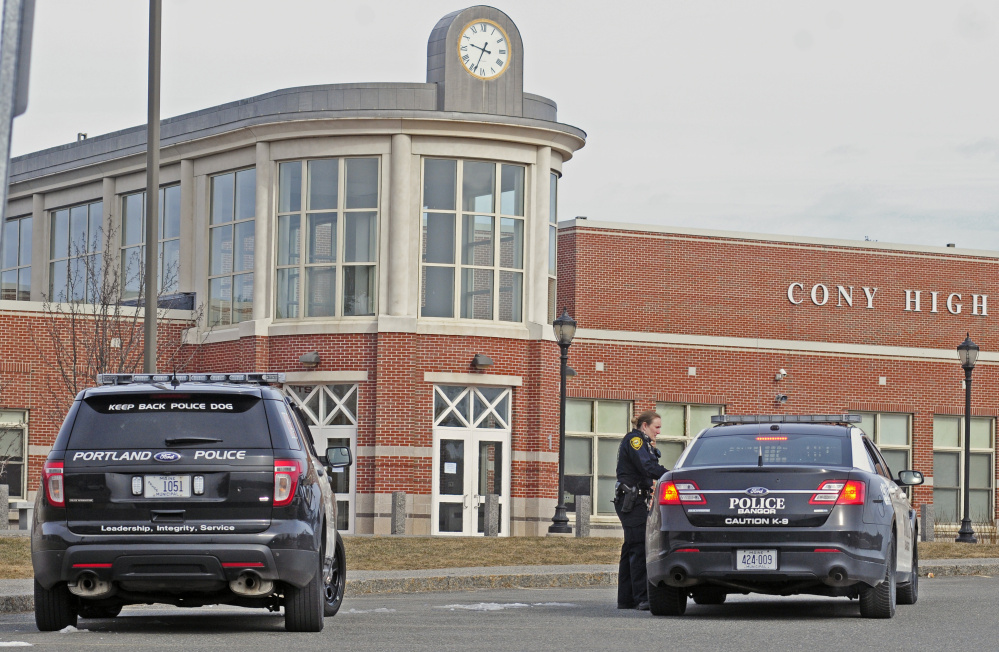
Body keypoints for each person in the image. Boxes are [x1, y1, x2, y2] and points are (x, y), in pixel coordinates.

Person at [614, 410, 668, 611]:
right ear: (644, 425)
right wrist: (672, 475)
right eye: (657, 427)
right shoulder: (635, 441)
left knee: (631, 548)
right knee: (638, 548)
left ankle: (626, 599)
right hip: (632, 501)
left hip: (635, 500)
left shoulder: (643, 442)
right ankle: (641, 597)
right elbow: (647, 467)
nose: (659, 432)